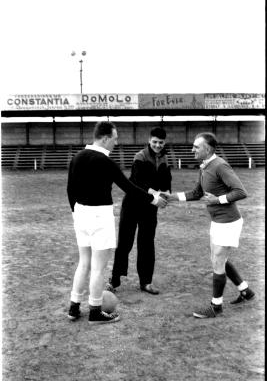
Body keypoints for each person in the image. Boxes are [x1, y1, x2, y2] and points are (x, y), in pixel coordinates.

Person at [67, 121, 167, 325]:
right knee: (97, 268)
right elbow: (129, 187)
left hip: (80, 214)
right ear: (104, 138)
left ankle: (74, 307)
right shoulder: (105, 161)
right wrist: (153, 199)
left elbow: (70, 190)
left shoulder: (76, 157)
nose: (116, 142)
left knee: (83, 263)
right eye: (114, 138)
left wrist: (75, 212)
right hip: (99, 216)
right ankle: (95, 311)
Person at [165, 132, 255, 318]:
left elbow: (240, 191)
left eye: (196, 147)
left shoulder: (220, 165)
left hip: (228, 221)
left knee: (218, 261)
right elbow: (197, 193)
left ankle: (216, 306)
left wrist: (218, 200)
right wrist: (172, 197)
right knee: (218, 258)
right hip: (217, 221)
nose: (192, 150)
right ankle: (245, 291)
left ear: (208, 149)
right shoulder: (204, 167)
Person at [107, 127, 172, 295]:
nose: (157, 145)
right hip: (133, 205)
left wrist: (166, 191)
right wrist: (154, 193)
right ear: (149, 141)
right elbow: (135, 181)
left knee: (147, 244)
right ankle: (114, 281)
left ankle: (146, 282)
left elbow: (166, 180)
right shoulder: (140, 156)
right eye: (155, 142)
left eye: (161, 143)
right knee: (124, 244)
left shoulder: (164, 158)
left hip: (150, 208)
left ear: (164, 142)